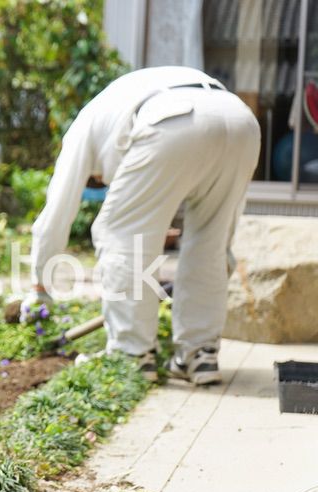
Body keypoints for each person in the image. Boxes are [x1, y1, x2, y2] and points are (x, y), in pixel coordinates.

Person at [25, 66, 260, 385]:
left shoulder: (82, 129)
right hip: (241, 120)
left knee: (122, 233)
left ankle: (131, 354)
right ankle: (199, 354)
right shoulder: (114, 110)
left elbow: (56, 214)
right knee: (211, 242)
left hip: (173, 120)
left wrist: (39, 287)